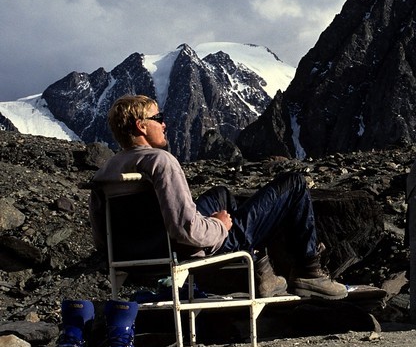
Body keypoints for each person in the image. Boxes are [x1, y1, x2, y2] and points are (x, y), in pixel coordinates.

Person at [89, 94, 348, 301]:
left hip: (136, 256)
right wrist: (219, 226)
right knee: (294, 184)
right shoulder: (160, 162)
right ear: (141, 126)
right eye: (159, 117)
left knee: (221, 195)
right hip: (184, 251)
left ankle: (258, 270)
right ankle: (308, 272)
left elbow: (102, 239)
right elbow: (185, 229)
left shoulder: (106, 172)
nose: (164, 123)